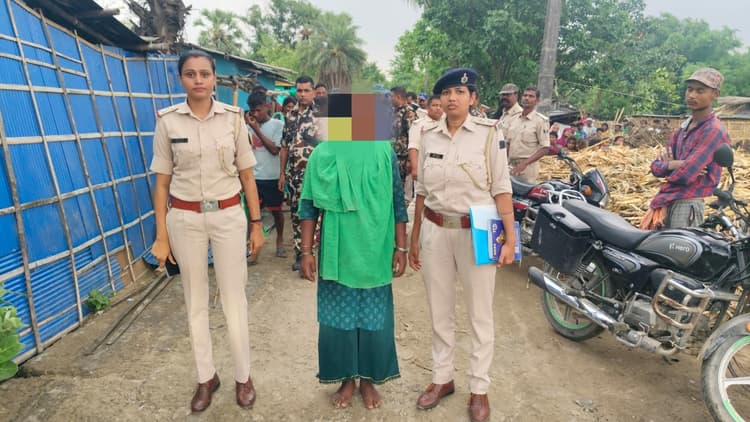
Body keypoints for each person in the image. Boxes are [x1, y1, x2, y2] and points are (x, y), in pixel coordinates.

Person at [149, 50, 264, 412]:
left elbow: (247, 176)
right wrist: (161, 236)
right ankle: (206, 377)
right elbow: (162, 184)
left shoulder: (233, 119)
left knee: (234, 300)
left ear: (214, 78)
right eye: (190, 74)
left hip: (228, 216)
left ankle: (243, 377)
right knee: (195, 301)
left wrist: (257, 225)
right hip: (184, 219)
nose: (198, 80)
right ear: (180, 78)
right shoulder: (168, 122)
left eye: (204, 73)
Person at [409, 68, 516, 422]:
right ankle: (442, 378)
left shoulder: (489, 134)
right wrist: (414, 237)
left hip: (479, 229)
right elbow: (421, 190)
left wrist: (510, 239)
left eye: (459, 92)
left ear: (473, 99)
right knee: (439, 311)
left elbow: (502, 188)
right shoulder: (428, 135)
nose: (452, 98)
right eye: (446, 93)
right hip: (435, 228)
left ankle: (479, 388)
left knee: (479, 314)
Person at [298, 139, 408, 410]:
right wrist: (306, 251)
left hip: (375, 250)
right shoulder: (323, 154)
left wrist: (401, 247)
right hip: (338, 252)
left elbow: (398, 202)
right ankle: (347, 379)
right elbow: (308, 205)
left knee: (373, 319)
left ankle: (368, 379)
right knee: (338, 320)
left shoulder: (384, 152)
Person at [641, 67, 731, 229]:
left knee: (679, 246)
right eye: (689, 89)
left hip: (687, 204)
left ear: (715, 94)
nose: (692, 95)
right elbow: (655, 167)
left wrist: (671, 167)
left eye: (700, 91)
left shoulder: (713, 130)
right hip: (667, 201)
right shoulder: (683, 128)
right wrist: (675, 164)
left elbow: (686, 175)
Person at [280, 75, 320, 272]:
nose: (303, 94)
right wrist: (282, 173)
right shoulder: (290, 115)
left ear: (313, 92)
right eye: (299, 91)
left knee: (318, 214)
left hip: (318, 176)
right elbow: (284, 146)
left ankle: (315, 252)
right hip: (295, 176)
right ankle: (300, 254)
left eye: (306, 90)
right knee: (297, 214)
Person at [247, 94, 286, 260]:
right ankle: (253, 247)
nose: (255, 114)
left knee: (277, 212)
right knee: (253, 214)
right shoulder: (247, 127)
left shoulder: (278, 125)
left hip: (272, 176)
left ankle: (280, 240)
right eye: (252, 111)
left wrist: (256, 129)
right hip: (254, 177)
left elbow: (275, 150)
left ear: (267, 106)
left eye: (258, 110)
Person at [506, 86, 551, 183]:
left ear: (537, 101)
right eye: (525, 95)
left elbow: (545, 148)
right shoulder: (514, 119)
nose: (527, 98)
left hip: (527, 168)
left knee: (524, 191)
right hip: (510, 166)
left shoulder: (540, 121)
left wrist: (524, 164)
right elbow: (508, 143)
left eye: (531, 96)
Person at [408, 95, 443, 178]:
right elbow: (413, 147)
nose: (438, 108)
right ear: (428, 107)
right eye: (435, 105)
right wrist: (415, 168)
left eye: (441, 106)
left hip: (442, 167)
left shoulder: (447, 123)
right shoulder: (419, 124)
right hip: (424, 165)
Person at [390, 86, 416, 182]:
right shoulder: (394, 111)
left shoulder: (409, 113)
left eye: (392, 96)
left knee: (399, 183)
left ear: (399, 97)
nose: (390, 99)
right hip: (391, 153)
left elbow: (413, 137)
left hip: (402, 157)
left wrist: (409, 160)